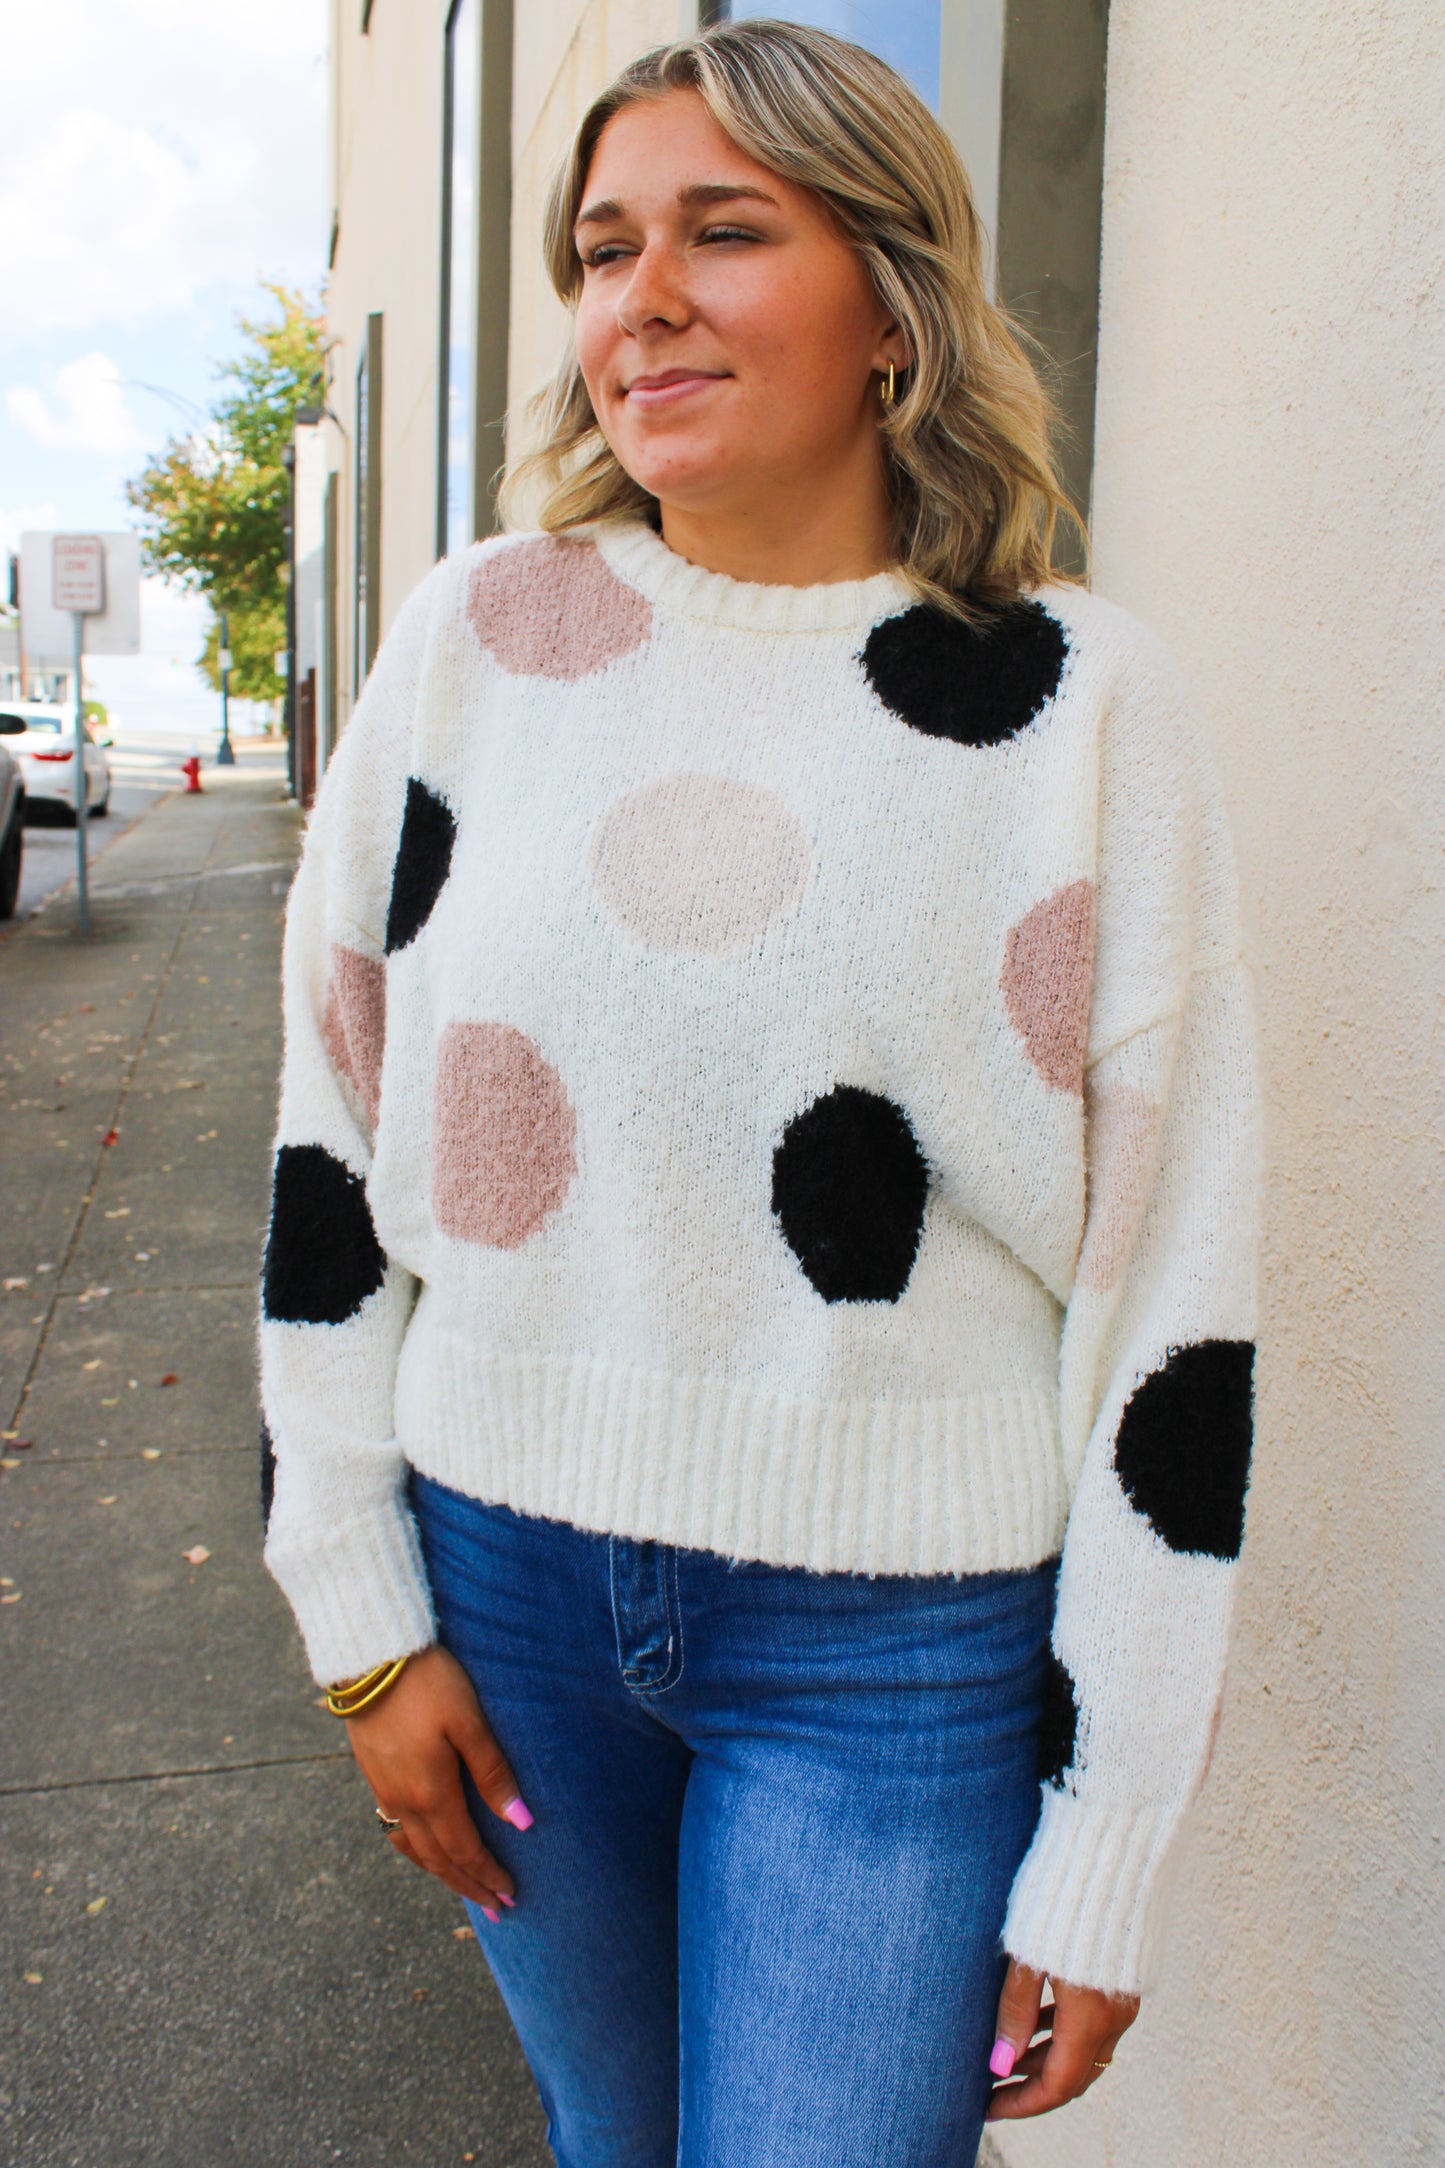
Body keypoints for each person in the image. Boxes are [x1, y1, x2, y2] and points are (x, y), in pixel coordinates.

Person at [259, 21, 1259, 2165]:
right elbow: (331, 1141)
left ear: (891, 305)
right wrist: (359, 1608)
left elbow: (1179, 1292)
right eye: (605, 246)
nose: (644, 296)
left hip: (896, 1660)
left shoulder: (1082, 708)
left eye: (728, 231)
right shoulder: (474, 644)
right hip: (506, 1590)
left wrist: (1111, 1833)